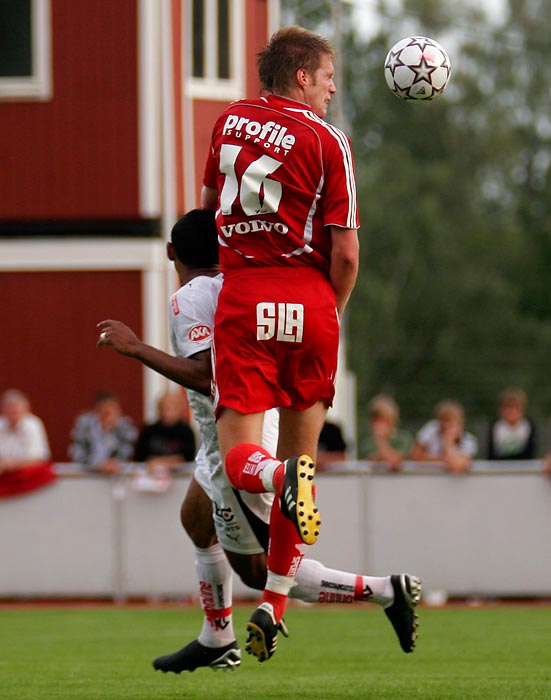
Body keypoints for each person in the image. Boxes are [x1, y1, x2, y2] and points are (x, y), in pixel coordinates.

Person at [98, 209, 420, 673]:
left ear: (172, 252)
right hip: (230, 432)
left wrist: (136, 348)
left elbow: (210, 373)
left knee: (261, 568)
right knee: (195, 520)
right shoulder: (237, 282)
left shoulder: (191, 296)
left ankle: (388, 590)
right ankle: (216, 636)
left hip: (235, 436)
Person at [201, 25, 419, 662]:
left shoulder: (227, 122)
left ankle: (274, 568)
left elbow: (208, 209)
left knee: (246, 460)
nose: (330, 91)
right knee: (304, 468)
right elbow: (346, 252)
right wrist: (331, 308)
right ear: (302, 76)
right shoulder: (329, 141)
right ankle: (273, 601)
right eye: (327, 79)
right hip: (310, 301)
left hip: (243, 294)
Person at [0, 389, 56, 498]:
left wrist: (10, 465)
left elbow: (39, 457)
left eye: (16, 411)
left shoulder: (33, 425)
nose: (13, 415)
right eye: (9, 411)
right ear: (3, 411)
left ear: (26, 410)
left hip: (24, 474)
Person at [68, 390, 138, 473]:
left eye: (112, 407)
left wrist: (115, 429)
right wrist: (97, 465)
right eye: (104, 407)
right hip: (88, 474)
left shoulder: (124, 425)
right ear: (96, 409)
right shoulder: (85, 423)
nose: (108, 411)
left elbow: (129, 449)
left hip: (116, 474)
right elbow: (76, 450)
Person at [134, 391, 196, 471]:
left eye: (173, 408)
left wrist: (163, 463)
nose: (168, 412)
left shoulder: (186, 431)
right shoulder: (148, 431)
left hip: (180, 477)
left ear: (180, 409)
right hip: (151, 477)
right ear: (159, 409)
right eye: (165, 407)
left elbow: (188, 458)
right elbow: (139, 458)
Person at [411, 399, 478, 473]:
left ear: (460, 423)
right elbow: (416, 456)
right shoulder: (432, 429)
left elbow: (456, 466)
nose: (447, 426)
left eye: (451, 422)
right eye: (444, 421)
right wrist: (443, 460)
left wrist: (448, 442)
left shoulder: (468, 441)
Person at [363, 395, 413, 471]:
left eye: (383, 420)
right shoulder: (368, 442)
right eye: (375, 421)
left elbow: (394, 463)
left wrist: (381, 440)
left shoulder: (404, 439)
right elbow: (371, 463)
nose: (378, 425)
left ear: (392, 421)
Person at [487, 387, 537, 460]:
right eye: (507, 408)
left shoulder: (529, 426)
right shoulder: (495, 426)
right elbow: (490, 454)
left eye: (515, 408)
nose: (511, 412)